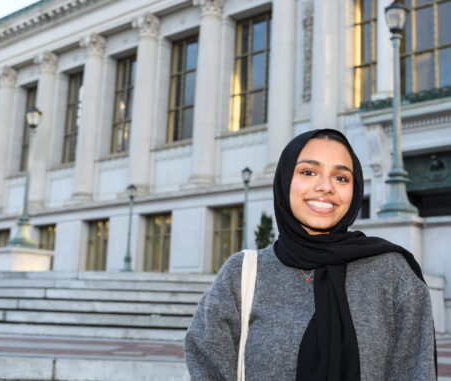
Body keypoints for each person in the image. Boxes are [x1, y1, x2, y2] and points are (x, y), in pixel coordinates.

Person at [185, 129, 437, 380]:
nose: (325, 186)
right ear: (285, 181)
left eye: (341, 178)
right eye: (308, 172)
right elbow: (208, 366)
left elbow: (416, 371)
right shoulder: (242, 274)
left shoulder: (392, 272)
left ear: (356, 189)